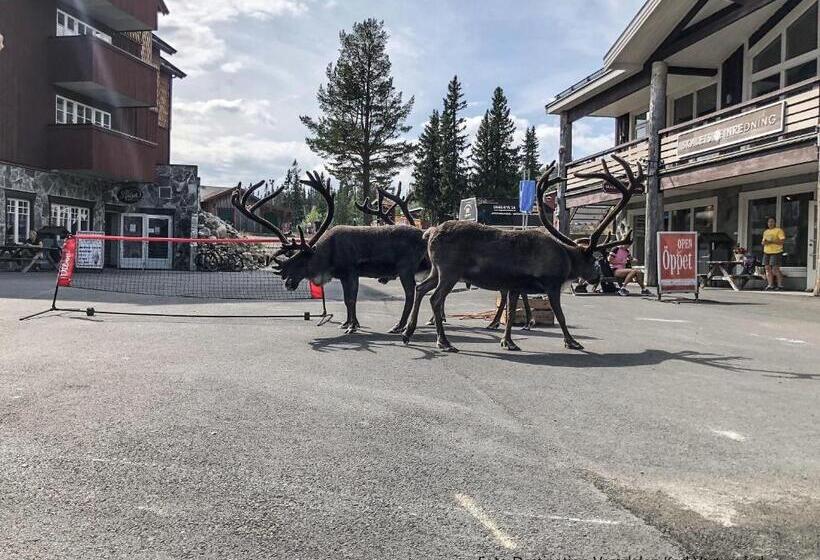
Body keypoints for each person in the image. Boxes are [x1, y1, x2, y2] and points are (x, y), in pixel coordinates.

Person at [761, 217, 786, 291]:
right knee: (767, 268)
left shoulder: (779, 230)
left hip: (776, 251)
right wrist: (764, 242)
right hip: (766, 251)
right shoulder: (766, 232)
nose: (770, 223)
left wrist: (772, 242)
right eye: (769, 222)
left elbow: (782, 241)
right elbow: (763, 242)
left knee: (775, 269)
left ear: (775, 223)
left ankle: (780, 285)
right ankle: (770, 285)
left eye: (772, 222)